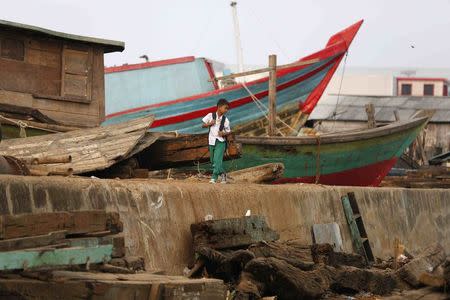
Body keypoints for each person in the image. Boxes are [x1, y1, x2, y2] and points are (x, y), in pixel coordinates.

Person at [202, 98, 231, 184]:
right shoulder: (210, 115)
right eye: (225, 108)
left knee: (217, 160)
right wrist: (209, 124)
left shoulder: (225, 120)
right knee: (213, 161)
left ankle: (214, 177)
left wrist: (223, 133)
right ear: (219, 107)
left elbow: (229, 131)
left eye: (227, 109)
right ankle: (223, 174)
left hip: (221, 142)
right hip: (211, 141)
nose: (226, 110)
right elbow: (203, 125)